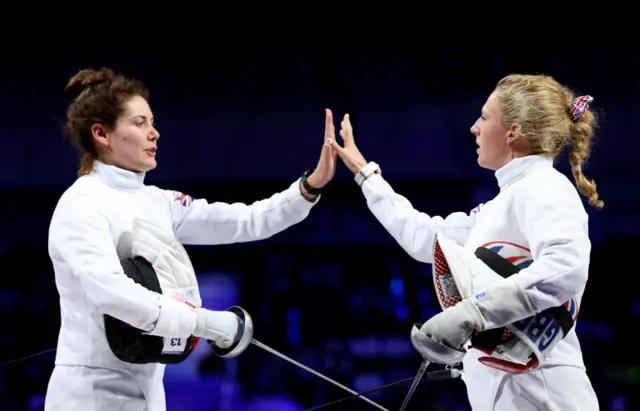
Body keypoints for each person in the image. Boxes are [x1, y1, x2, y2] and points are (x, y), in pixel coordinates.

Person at [44, 67, 337, 411]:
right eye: (139, 123)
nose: (154, 133)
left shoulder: (158, 201)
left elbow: (245, 221)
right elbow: (112, 292)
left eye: (152, 122)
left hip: (149, 393)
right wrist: (206, 323)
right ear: (102, 133)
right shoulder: (83, 204)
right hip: (88, 396)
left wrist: (309, 187)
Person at [328, 74, 601, 410]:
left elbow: (565, 269)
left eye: (485, 117)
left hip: (546, 396)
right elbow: (423, 238)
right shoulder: (498, 206)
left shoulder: (544, 185)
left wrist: (473, 313)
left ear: (513, 131)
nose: (474, 127)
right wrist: (364, 174)